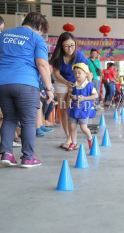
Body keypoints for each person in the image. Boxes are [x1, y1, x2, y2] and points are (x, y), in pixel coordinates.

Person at [0, 12, 54, 168]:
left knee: (9, 118)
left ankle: (7, 154)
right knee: (28, 121)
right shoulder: (36, 38)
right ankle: (28, 157)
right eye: (42, 31)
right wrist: (49, 88)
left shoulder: (3, 35)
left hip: (3, 83)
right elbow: (42, 64)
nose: (41, 34)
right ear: (39, 27)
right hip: (26, 84)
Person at [50, 32, 90, 150]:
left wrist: (85, 84)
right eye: (66, 46)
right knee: (62, 109)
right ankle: (69, 137)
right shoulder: (57, 56)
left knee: (71, 110)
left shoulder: (79, 55)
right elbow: (56, 73)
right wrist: (66, 83)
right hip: (62, 82)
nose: (70, 48)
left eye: (72, 45)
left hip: (75, 83)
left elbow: (87, 72)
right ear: (61, 46)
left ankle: (72, 139)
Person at [67, 63, 97, 151]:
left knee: (83, 127)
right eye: (75, 73)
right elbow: (70, 95)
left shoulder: (89, 85)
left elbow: (95, 95)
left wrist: (85, 98)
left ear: (85, 74)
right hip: (74, 109)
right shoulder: (73, 85)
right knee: (72, 127)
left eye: (79, 73)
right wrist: (71, 95)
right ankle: (74, 143)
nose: (77, 75)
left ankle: (90, 138)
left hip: (84, 110)